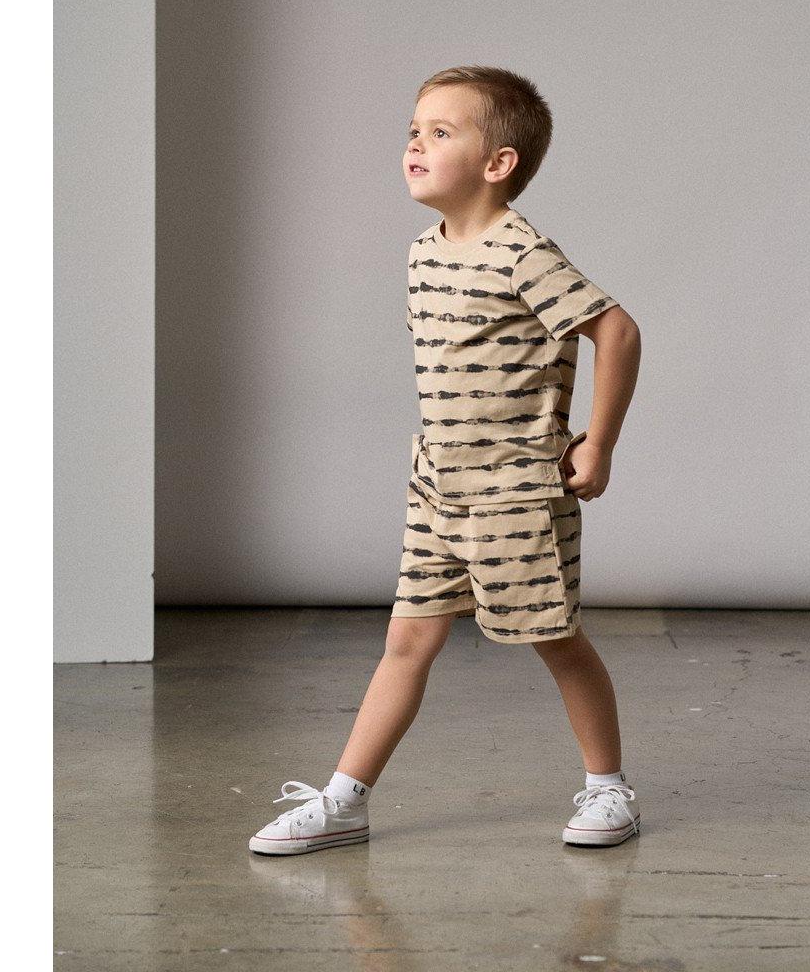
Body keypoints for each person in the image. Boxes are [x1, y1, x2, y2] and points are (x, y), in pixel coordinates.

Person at [250, 65, 642, 856]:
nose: (415, 145)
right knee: (406, 644)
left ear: (498, 163)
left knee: (555, 638)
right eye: (412, 131)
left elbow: (618, 331)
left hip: (516, 493)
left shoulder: (522, 252)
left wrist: (598, 442)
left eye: (439, 132)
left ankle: (610, 790)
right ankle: (344, 801)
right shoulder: (423, 253)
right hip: (438, 486)